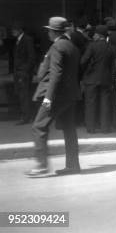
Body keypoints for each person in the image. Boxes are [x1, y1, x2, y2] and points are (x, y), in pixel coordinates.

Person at [27, 17, 81, 177]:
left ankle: (41, 166)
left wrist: (49, 97)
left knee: (39, 126)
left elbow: (56, 73)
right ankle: (73, 165)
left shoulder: (57, 46)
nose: (48, 33)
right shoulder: (72, 46)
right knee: (69, 128)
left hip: (57, 95)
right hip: (70, 95)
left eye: (49, 30)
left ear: (53, 32)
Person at [80, 25, 115, 133]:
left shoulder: (92, 46)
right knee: (105, 104)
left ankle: (91, 128)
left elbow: (83, 61)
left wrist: (84, 72)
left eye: (95, 34)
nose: (93, 35)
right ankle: (105, 128)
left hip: (91, 78)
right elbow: (113, 65)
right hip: (106, 79)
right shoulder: (111, 47)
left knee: (90, 104)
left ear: (99, 35)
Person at [11, 21, 37, 124]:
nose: (12, 31)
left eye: (14, 30)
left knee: (24, 95)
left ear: (19, 30)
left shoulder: (27, 40)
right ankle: (25, 115)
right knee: (22, 95)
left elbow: (31, 57)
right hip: (19, 72)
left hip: (23, 73)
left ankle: (26, 117)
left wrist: (24, 71)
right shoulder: (18, 40)